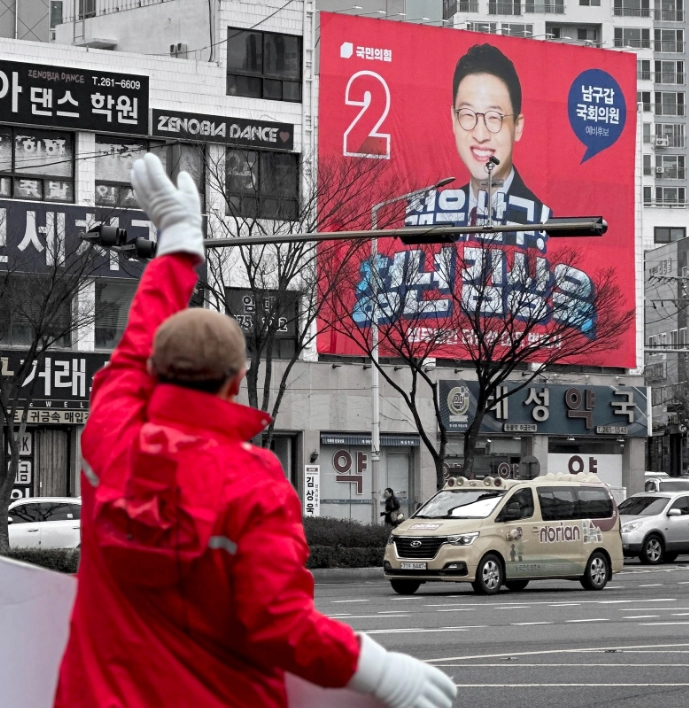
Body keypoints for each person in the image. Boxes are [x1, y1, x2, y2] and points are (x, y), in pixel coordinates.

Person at [54, 153, 457, 708]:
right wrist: (378, 667)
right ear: (238, 379)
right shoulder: (253, 484)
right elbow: (280, 624)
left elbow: (131, 351)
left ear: (152, 372)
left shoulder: (110, 436)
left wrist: (176, 250)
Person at [405, 43, 552, 252]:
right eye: (467, 115)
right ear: (453, 120)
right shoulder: (434, 215)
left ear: (518, 127)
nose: (480, 135)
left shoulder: (541, 222)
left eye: (494, 117)